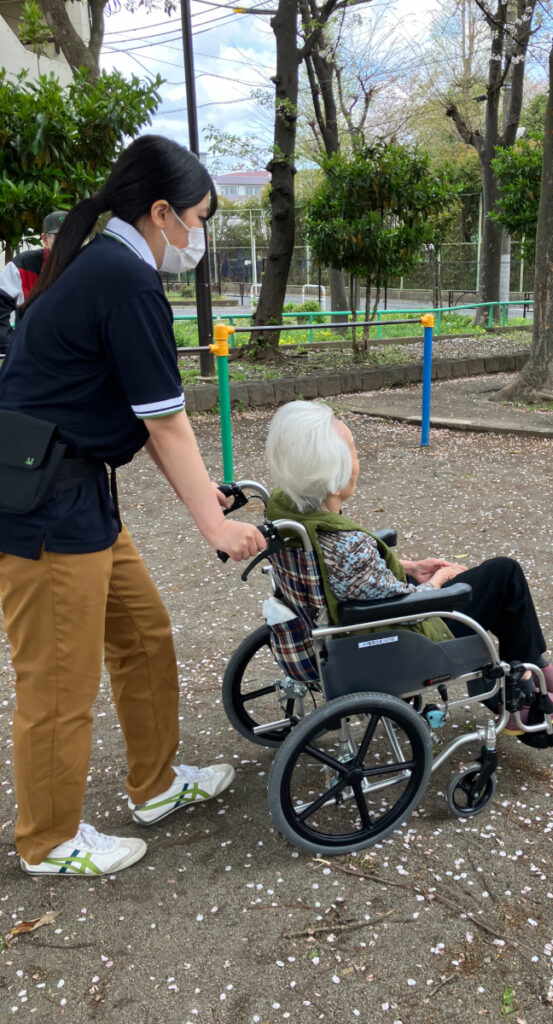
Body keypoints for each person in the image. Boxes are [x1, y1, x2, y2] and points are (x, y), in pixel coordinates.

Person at [0, 136, 266, 877]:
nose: (202, 235)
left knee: (144, 633)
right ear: (161, 213)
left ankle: (153, 784)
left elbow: (150, 413)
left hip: (77, 493)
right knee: (57, 679)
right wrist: (213, 523)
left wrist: (203, 493)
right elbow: (166, 421)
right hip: (45, 505)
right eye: (200, 217)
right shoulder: (124, 278)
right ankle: (50, 842)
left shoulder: (104, 264)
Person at [264, 401, 553, 745]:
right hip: (394, 637)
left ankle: (523, 669)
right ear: (332, 479)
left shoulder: (287, 512)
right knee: (504, 576)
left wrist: (410, 568)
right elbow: (400, 603)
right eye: (353, 452)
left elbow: (353, 579)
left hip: (339, 624)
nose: (358, 460)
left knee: (492, 587)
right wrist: (438, 581)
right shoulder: (346, 545)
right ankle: (525, 681)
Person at [0, 210, 67, 356]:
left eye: (72, 236)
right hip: (31, 360)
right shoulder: (22, 266)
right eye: (60, 238)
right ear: (44, 239)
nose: (67, 244)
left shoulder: (88, 266)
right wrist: (15, 345)